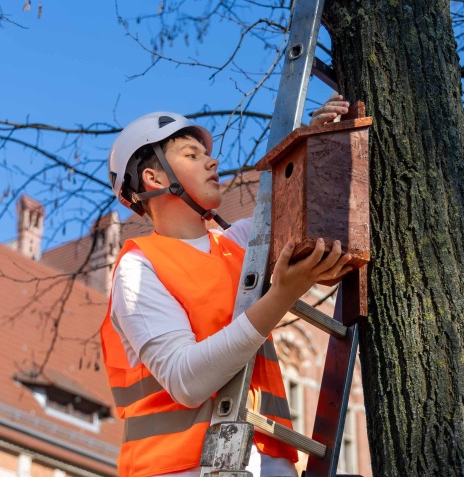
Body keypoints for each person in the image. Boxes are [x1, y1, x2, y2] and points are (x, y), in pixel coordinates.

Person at [99, 95, 351, 477]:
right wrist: (281, 296)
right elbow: (186, 380)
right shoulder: (137, 269)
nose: (212, 161)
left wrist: (314, 141)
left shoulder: (238, 245)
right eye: (191, 155)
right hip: (183, 467)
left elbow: (306, 207)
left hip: (268, 457)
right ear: (155, 178)